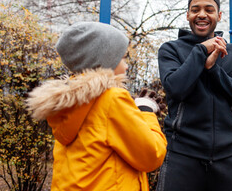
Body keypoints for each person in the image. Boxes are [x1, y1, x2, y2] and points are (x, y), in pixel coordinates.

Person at [26, 22, 167, 191]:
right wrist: (146, 111)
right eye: (122, 58)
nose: (127, 65)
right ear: (105, 62)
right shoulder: (112, 99)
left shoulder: (69, 101)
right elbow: (151, 155)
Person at [156, 0, 232, 191]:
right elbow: (176, 88)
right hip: (182, 158)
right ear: (188, 15)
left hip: (228, 159)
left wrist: (213, 70)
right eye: (195, 9)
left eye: (209, 10)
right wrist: (201, 51)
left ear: (218, 15)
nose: (202, 14)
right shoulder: (171, 49)